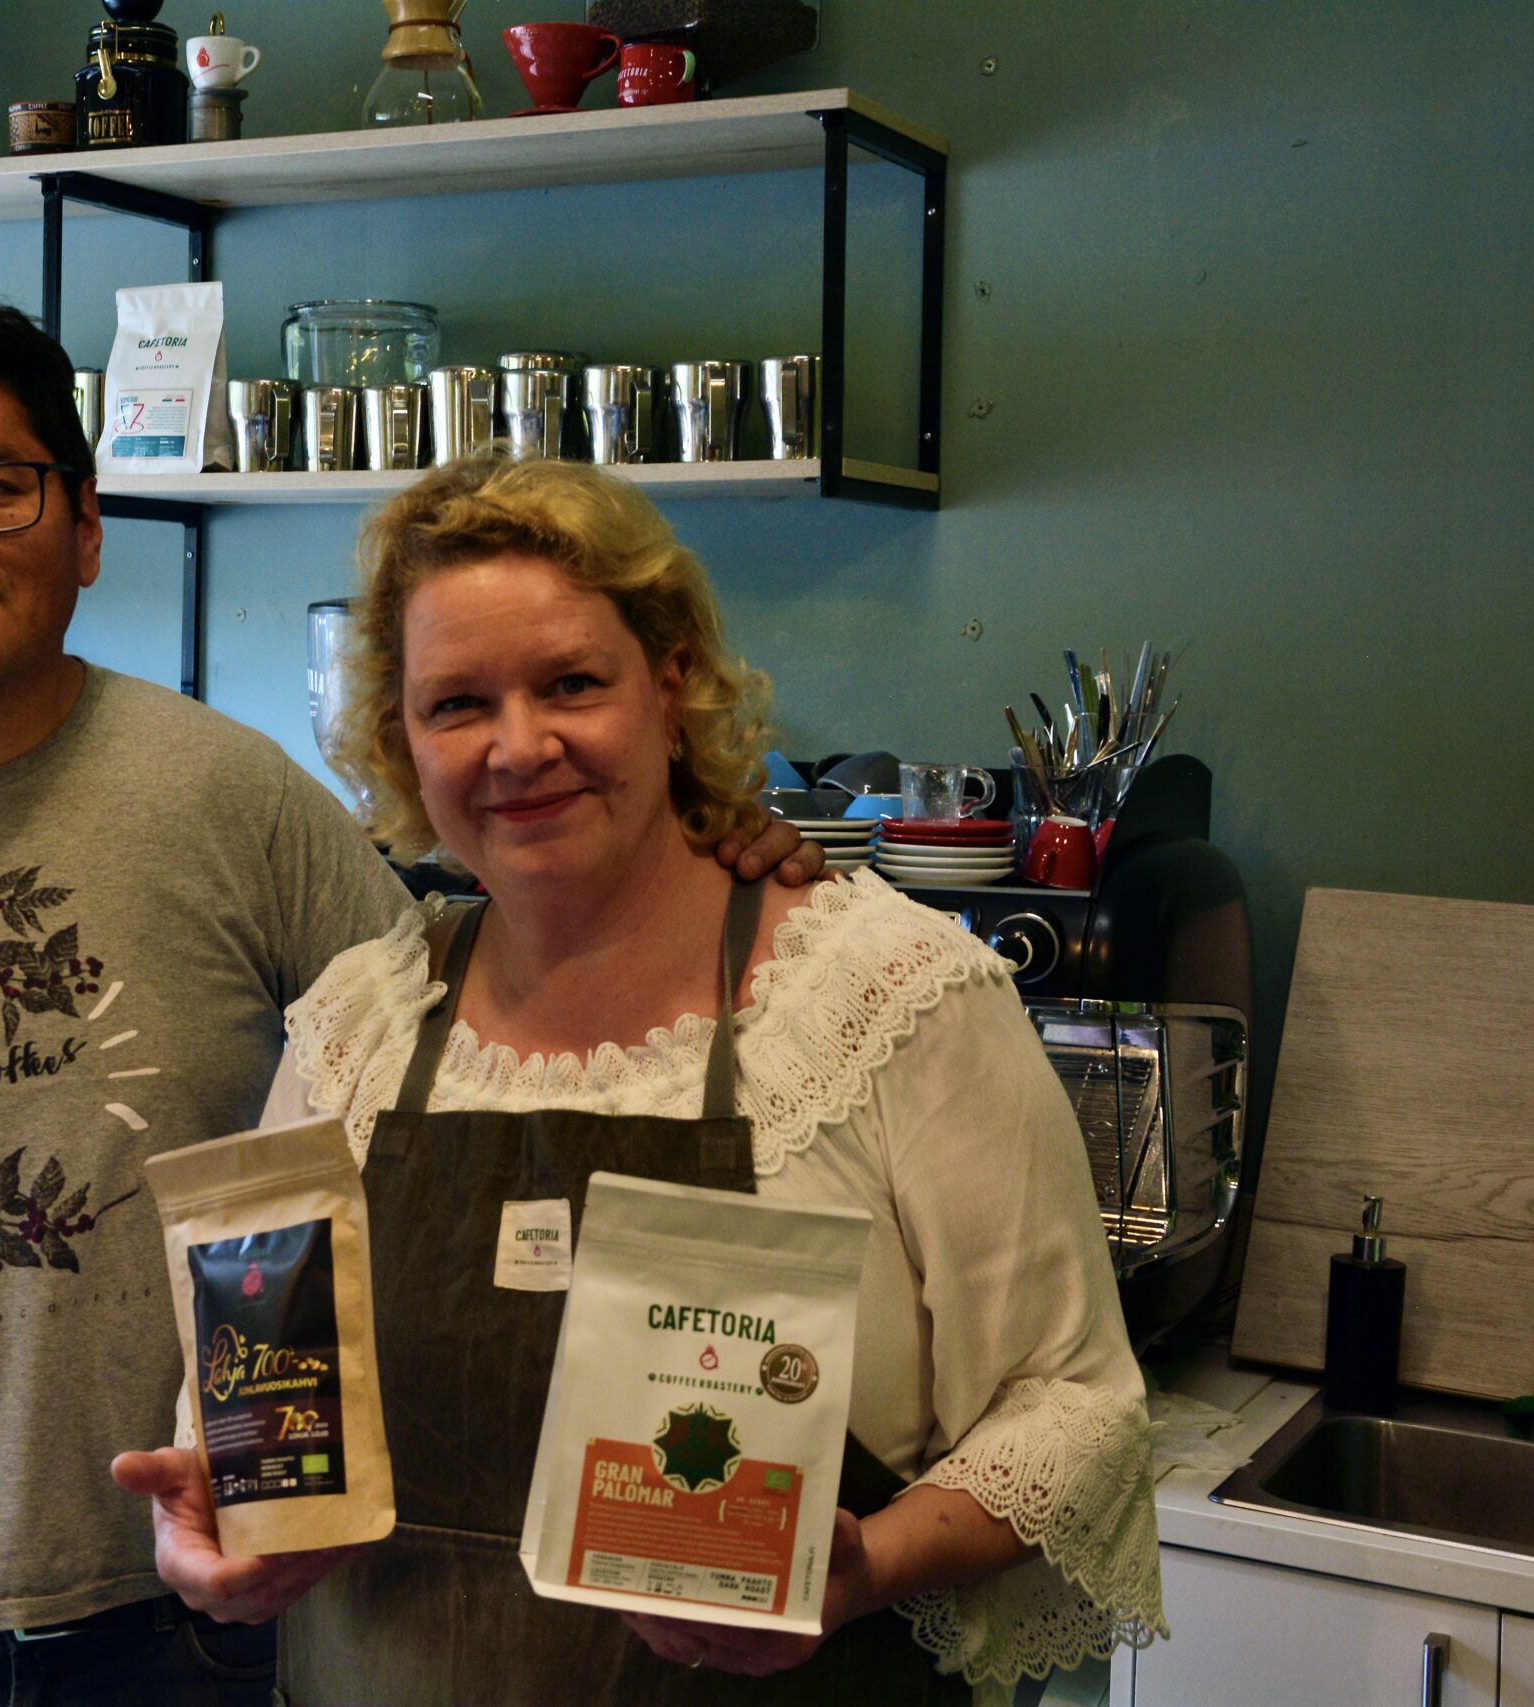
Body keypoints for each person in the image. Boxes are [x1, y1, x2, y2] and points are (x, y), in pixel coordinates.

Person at [0, 288, 823, 1704]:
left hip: (188, 1604)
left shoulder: (232, 800)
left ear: (87, 525)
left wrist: (707, 861)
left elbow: (479, 1024)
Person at [116, 454, 1166, 1707]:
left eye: (571, 683)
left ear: (670, 689)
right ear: (401, 740)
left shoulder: (886, 999)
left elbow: (1074, 1408)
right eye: (457, 704)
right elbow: (253, 1405)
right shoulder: (358, 1025)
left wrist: (870, 1565)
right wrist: (214, 1518)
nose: (519, 747)